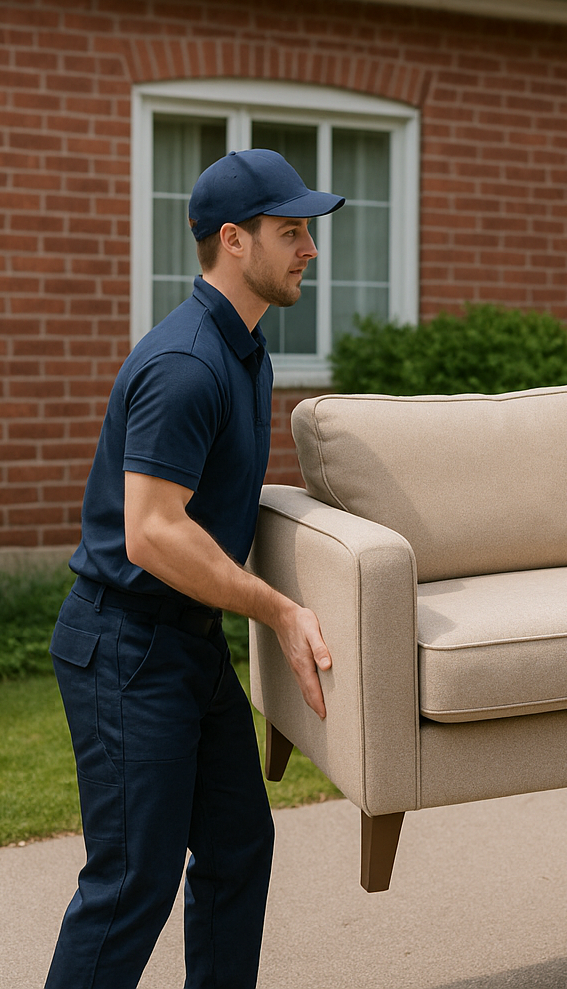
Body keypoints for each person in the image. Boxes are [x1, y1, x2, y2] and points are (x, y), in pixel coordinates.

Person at [45, 149, 344, 988]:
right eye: (292, 233)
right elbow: (151, 534)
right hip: (125, 648)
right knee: (131, 882)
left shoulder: (244, 353)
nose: (309, 251)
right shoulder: (186, 366)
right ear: (234, 243)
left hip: (186, 643)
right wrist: (280, 611)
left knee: (237, 845)